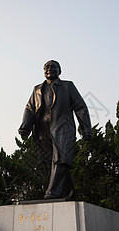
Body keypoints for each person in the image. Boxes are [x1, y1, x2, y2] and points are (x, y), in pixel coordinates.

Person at [19, 60, 91, 200]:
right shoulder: (37, 89)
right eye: (47, 67)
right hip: (42, 132)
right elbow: (30, 108)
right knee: (54, 162)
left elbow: (80, 107)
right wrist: (25, 127)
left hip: (63, 129)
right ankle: (70, 194)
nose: (50, 69)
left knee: (61, 159)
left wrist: (86, 128)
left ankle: (52, 193)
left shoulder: (67, 86)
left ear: (60, 71)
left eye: (54, 67)